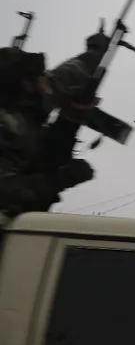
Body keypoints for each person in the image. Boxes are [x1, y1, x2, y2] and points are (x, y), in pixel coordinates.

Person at [0, 31, 108, 215]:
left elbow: (67, 75)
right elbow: (7, 192)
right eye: (42, 76)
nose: (47, 79)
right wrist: (61, 178)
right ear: (27, 84)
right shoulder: (7, 125)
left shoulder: (29, 110)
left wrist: (70, 119)